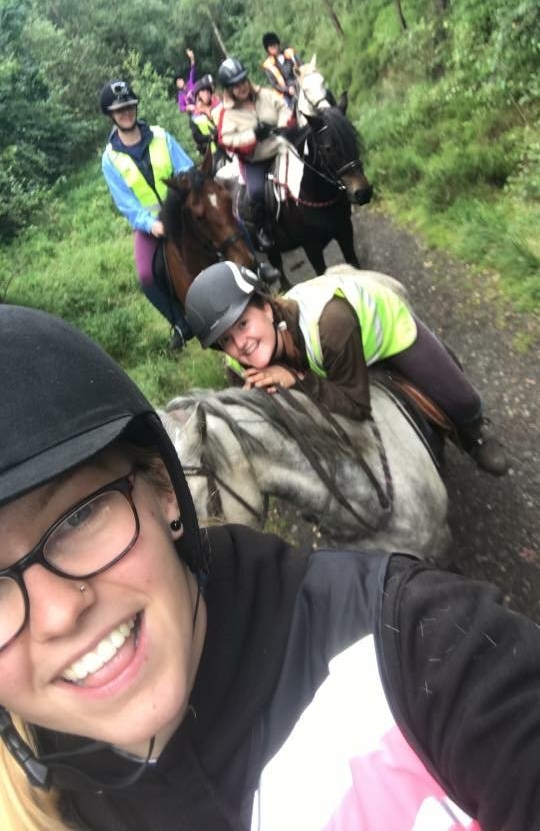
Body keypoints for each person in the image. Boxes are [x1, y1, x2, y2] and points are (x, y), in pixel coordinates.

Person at [0, 303, 539, 831]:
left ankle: (472, 426)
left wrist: (296, 379)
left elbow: (348, 402)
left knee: (449, 389)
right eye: (227, 341)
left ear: (165, 490)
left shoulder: (423, 645)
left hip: (361, 342)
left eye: (81, 514)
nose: (57, 614)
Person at [185, 262, 509, 476]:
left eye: (243, 323)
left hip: (381, 331)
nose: (241, 344)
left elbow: (356, 406)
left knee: (461, 399)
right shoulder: (238, 362)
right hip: (328, 354)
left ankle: (474, 434)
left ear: (267, 309)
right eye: (226, 340)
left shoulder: (329, 324)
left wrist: (297, 378)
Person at [100, 78, 194, 351]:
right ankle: (180, 322)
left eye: (129, 107)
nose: (126, 113)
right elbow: (126, 203)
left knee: (228, 224)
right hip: (151, 226)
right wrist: (151, 225)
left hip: (182, 210)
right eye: (120, 110)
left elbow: (185, 169)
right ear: (111, 115)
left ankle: (256, 269)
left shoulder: (162, 136)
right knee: (146, 277)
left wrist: (185, 203)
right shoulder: (110, 159)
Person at [215, 57, 300, 251]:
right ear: (228, 89)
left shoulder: (266, 94)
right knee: (256, 191)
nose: (242, 86)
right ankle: (264, 230)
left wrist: (282, 126)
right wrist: (253, 135)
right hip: (255, 160)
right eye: (236, 85)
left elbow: (283, 108)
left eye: (243, 81)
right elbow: (226, 140)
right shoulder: (226, 114)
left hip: (280, 147)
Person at [261, 32, 301, 108]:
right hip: (286, 93)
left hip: (300, 83)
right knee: (288, 111)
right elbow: (274, 84)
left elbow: (302, 66)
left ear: (278, 44)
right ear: (268, 49)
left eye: (274, 44)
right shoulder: (268, 65)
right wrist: (288, 90)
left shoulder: (291, 53)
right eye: (270, 46)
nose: (273, 47)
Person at [189, 74, 221, 157]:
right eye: (203, 91)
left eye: (208, 91)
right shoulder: (195, 117)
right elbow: (197, 137)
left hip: (227, 145)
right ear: (198, 95)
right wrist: (211, 137)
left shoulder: (219, 107)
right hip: (211, 153)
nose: (206, 94)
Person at [175, 48, 196, 113]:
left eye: (180, 80)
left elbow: (192, 69)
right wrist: (188, 107)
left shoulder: (190, 83)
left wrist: (192, 58)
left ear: (183, 80)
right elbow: (181, 108)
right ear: (177, 86)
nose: (179, 82)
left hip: (201, 104)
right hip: (194, 113)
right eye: (177, 82)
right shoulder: (180, 95)